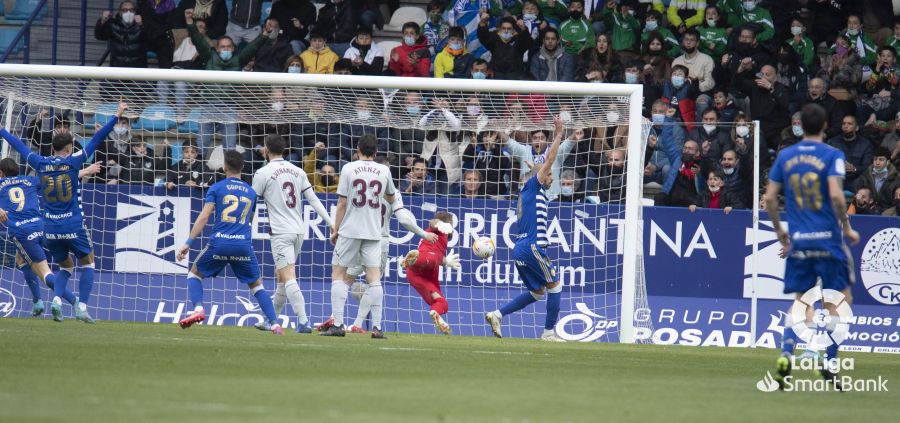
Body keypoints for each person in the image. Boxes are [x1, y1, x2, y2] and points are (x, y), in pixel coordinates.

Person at [0, 101, 127, 324]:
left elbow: (19, 145)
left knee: (64, 265)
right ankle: (82, 307)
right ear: (69, 148)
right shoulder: (74, 161)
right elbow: (97, 140)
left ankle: (56, 300)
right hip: (72, 224)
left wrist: (1, 130)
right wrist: (116, 116)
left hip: (50, 228)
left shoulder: (39, 162)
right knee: (88, 263)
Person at [764, 103, 861, 390]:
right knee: (840, 302)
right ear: (824, 126)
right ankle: (829, 361)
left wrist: (781, 231)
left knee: (800, 301)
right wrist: (847, 227)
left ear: (801, 125)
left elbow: (769, 199)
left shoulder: (785, 155)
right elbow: (836, 195)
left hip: (800, 241)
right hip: (828, 240)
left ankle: (785, 355)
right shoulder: (833, 154)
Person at [175, 151, 283, 334]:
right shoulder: (251, 192)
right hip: (242, 245)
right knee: (257, 286)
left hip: (219, 243)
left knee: (194, 275)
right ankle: (274, 323)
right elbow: (250, 219)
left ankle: (199, 309)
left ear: (225, 167)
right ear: (242, 167)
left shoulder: (217, 188)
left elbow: (204, 216)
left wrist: (188, 242)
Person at [485, 116, 566, 342]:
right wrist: (558, 134)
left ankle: (497, 314)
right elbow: (548, 161)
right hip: (532, 247)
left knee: (537, 292)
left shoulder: (529, 191)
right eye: (549, 174)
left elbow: (539, 169)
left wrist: (535, 168)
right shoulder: (533, 186)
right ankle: (548, 333)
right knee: (556, 286)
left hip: (521, 248)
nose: (551, 177)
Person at [251, 134, 334, 334]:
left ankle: (304, 321)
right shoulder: (297, 171)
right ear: (284, 150)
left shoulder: (262, 173)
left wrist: (245, 227)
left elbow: (251, 202)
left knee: (288, 277)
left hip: (280, 232)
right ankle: (270, 320)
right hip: (298, 231)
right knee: (281, 277)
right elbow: (313, 199)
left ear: (267, 151)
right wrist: (331, 222)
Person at [322, 134, 399, 338]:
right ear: (375, 152)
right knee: (374, 278)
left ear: (357, 151)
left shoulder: (348, 168)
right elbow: (391, 197)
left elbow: (342, 203)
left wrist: (335, 229)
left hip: (350, 230)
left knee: (338, 274)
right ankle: (378, 327)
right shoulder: (384, 170)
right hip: (374, 231)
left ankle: (338, 324)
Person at [0, 158, 73, 320]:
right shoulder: (30, 180)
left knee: (44, 273)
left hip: (22, 232)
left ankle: (77, 303)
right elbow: (54, 181)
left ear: (1, 173)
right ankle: (37, 301)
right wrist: (83, 172)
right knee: (21, 259)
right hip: (41, 227)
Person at [399, 212, 460, 335]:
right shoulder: (437, 231)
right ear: (448, 224)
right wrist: (440, 224)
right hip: (424, 261)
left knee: (443, 303)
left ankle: (435, 313)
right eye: (451, 225)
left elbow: (439, 257)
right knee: (430, 259)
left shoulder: (443, 239)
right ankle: (412, 260)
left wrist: (447, 261)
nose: (452, 229)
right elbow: (432, 223)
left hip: (418, 276)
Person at [476, 14, 533, 79]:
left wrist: (523, 29)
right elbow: (483, 37)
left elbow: (528, 42)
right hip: (496, 77)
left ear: (513, 30)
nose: (506, 31)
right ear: (500, 29)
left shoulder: (519, 40)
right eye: (503, 28)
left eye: (509, 29)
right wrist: (483, 23)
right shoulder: (494, 39)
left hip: (515, 77)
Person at [95, 1, 147, 68]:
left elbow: (149, 39)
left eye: (131, 10)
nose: (128, 13)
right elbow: (99, 36)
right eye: (125, 10)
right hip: (117, 67)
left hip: (137, 68)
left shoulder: (142, 23)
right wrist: (102, 21)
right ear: (120, 12)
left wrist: (141, 25)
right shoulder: (113, 24)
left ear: (135, 11)